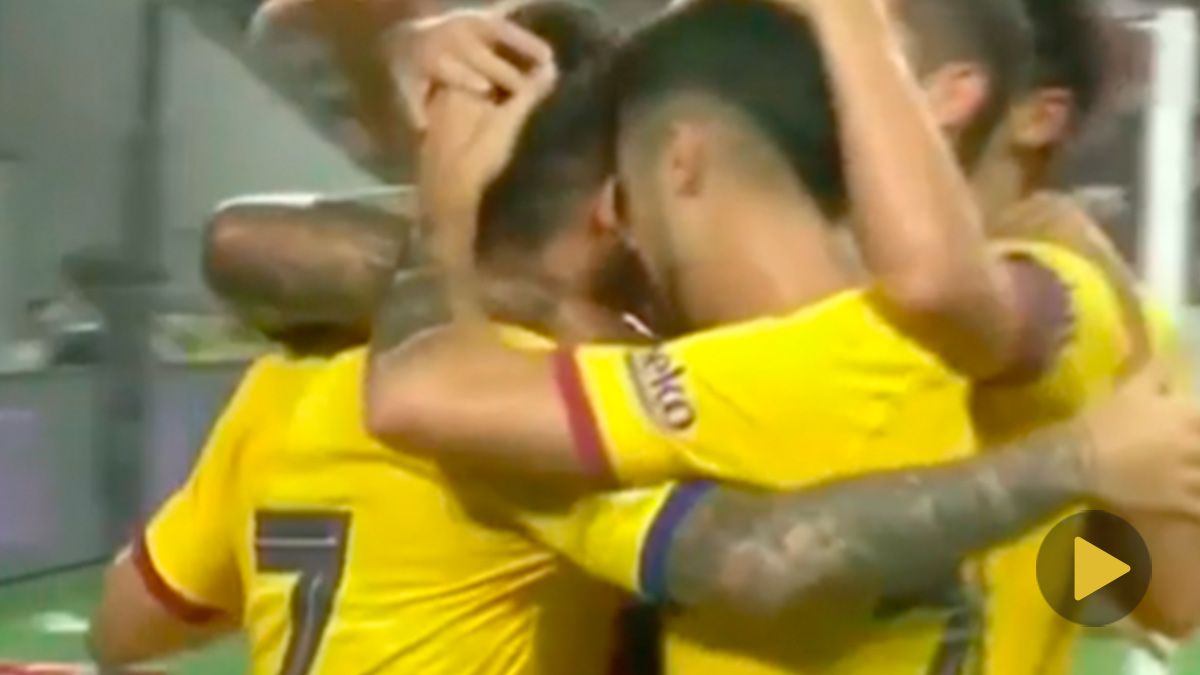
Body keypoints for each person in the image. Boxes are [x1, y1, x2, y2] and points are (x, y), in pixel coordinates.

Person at [361, 1, 1191, 674]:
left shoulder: (735, 384)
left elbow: (415, 390)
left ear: (680, 162)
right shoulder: (1068, 298)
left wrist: (444, 199)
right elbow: (1172, 597)